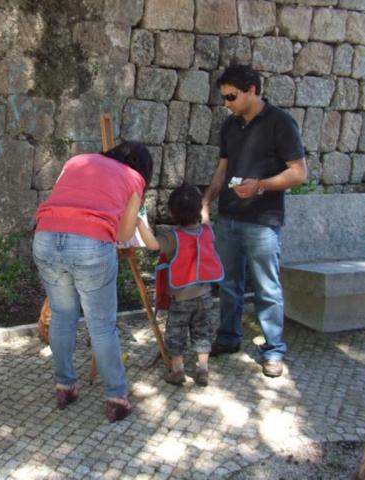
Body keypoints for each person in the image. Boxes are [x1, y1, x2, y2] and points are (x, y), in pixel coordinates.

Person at [33, 141, 152, 422]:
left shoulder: (77, 161)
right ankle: (116, 397)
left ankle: (64, 385)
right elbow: (123, 234)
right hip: (91, 245)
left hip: (45, 237)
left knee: (62, 316)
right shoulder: (134, 178)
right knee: (101, 325)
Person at [202, 64, 307, 377]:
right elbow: (222, 170)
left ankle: (273, 350)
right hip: (229, 217)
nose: (227, 103)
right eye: (224, 97)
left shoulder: (280, 122)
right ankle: (228, 337)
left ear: (251, 90)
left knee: (266, 288)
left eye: (231, 96)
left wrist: (260, 185)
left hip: (263, 220)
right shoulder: (229, 126)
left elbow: (299, 173)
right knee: (228, 283)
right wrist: (206, 201)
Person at [137, 184, 223, 387]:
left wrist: (138, 222)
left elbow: (152, 244)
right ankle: (202, 369)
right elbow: (205, 217)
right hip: (205, 295)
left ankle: (178, 371)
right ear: (198, 210)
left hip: (181, 298)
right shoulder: (207, 231)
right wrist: (204, 206)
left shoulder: (172, 237)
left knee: (176, 333)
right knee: (203, 331)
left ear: (172, 212)